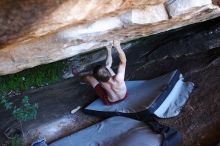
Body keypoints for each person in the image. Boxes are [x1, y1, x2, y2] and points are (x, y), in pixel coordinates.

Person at [78, 40, 127, 105]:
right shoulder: (119, 79)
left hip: (109, 101)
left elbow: (101, 71)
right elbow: (123, 62)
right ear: (108, 73)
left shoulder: (102, 84)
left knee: (88, 77)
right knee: (108, 66)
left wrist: (91, 74)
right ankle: (109, 49)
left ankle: (80, 79)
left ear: (97, 78)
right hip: (123, 96)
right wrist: (118, 46)